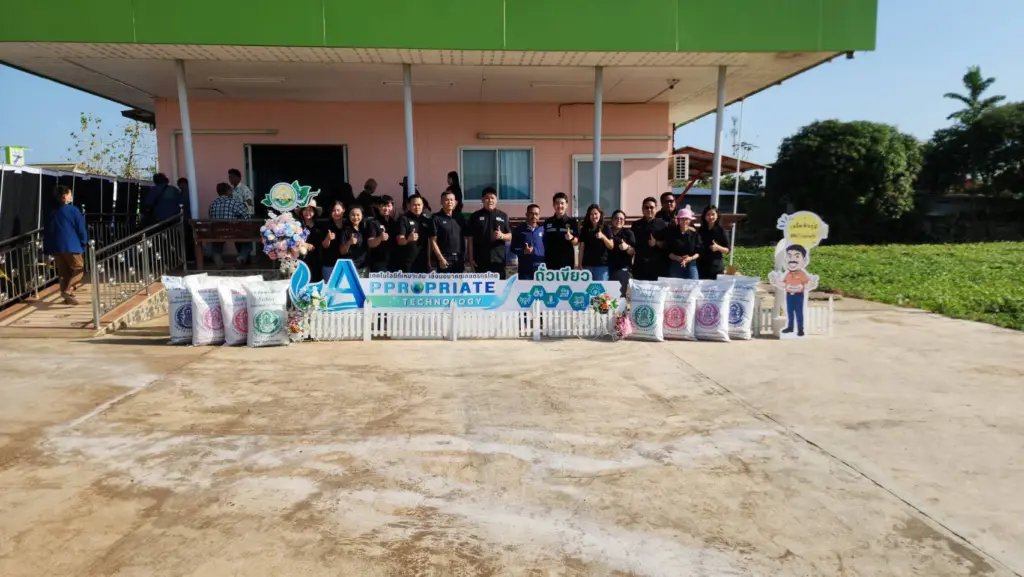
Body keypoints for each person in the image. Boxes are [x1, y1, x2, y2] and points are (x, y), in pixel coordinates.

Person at [43, 185, 88, 305]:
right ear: (64, 196)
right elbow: (81, 228)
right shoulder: (73, 210)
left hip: (55, 246)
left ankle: (67, 297)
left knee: (64, 271)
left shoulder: (50, 210)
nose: (71, 196)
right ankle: (69, 290)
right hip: (71, 245)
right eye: (70, 194)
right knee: (79, 268)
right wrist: (84, 242)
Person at [466, 187, 511, 279]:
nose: (490, 200)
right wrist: (470, 258)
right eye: (487, 198)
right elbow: (470, 239)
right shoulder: (475, 216)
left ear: (496, 200)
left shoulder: (503, 216)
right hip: (480, 259)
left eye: (492, 198)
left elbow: (510, 236)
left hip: (498, 259)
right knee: (481, 286)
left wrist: (501, 236)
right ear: (482, 200)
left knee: (499, 285)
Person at [207, 182, 252, 267]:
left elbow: (211, 217)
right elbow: (246, 217)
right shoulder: (235, 203)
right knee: (247, 243)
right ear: (227, 191)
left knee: (217, 244)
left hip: (217, 232)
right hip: (234, 232)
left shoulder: (212, 204)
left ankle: (218, 259)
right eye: (231, 191)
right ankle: (241, 257)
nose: (232, 193)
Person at [631, 197, 668, 281]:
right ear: (642, 209)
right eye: (646, 207)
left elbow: (667, 244)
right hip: (640, 265)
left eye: (652, 207)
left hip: (658, 266)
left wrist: (656, 243)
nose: (649, 210)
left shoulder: (662, 224)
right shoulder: (636, 225)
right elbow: (632, 244)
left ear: (656, 209)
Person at [395, 195, 434, 273]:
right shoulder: (403, 219)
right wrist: (408, 239)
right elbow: (399, 241)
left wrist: (429, 262)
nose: (417, 207)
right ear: (409, 205)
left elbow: (430, 242)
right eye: (414, 205)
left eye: (419, 205)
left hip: (423, 263)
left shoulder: (427, 220)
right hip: (407, 263)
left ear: (422, 205)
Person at [662, 205, 701, 280]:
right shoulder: (672, 234)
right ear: (678, 220)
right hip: (676, 263)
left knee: (693, 284)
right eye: (682, 219)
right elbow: (667, 251)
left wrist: (690, 258)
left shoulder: (695, 235)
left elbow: (699, 251)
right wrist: (677, 258)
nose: (684, 221)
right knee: (675, 285)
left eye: (687, 219)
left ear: (690, 220)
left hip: (691, 263)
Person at [542, 192, 578, 271]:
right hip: (550, 262)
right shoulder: (548, 221)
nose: (559, 206)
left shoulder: (572, 222)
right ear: (553, 205)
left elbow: (577, 242)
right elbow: (544, 240)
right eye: (557, 203)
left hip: (567, 262)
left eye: (562, 203)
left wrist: (571, 238)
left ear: (566, 205)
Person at [431, 190, 465, 273]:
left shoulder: (459, 217)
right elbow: (433, 241)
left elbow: (466, 237)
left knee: (458, 281)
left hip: (459, 259)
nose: (449, 202)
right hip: (444, 259)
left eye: (451, 200)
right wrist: (440, 258)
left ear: (455, 202)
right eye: (446, 200)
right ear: (441, 202)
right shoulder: (436, 218)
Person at [579, 204, 614, 280]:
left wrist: (603, 237)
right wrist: (580, 264)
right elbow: (581, 248)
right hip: (587, 265)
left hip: (601, 266)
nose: (594, 216)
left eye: (596, 213)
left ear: (600, 214)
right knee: (586, 288)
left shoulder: (606, 228)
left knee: (600, 288)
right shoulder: (585, 229)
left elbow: (611, 246)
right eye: (591, 214)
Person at [510, 204, 545, 280]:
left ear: (539, 216)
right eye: (531, 213)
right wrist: (523, 251)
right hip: (525, 269)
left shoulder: (542, 230)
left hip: (540, 269)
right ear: (526, 214)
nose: (534, 216)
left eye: (536, 214)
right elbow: (513, 248)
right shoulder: (519, 230)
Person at [697, 205, 732, 279]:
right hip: (701, 265)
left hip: (716, 267)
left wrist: (718, 247)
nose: (710, 217)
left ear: (717, 215)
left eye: (713, 214)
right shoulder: (701, 230)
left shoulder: (722, 231)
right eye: (708, 214)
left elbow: (728, 250)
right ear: (704, 216)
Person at [607, 210, 636, 296]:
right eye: (616, 218)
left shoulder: (628, 233)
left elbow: (633, 251)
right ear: (612, 219)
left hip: (622, 268)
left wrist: (627, 247)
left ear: (624, 221)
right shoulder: (607, 231)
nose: (619, 220)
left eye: (621, 219)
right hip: (606, 268)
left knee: (619, 295)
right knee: (605, 295)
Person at [366, 195, 397, 273]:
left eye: (389, 206)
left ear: (392, 207)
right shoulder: (373, 222)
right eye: (383, 206)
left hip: (394, 262)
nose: (386, 208)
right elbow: (370, 243)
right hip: (378, 263)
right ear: (378, 206)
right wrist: (379, 238)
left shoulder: (394, 223)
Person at [297, 200, 324, 283]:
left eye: (310, 210)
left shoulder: (319, 228)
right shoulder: (296, 225)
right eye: (305, 209)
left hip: (314, 262)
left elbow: (316, 246)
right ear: (301, 211)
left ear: (314, 212)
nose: (307, 212)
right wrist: (304, 244)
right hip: (299, 261)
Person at [339, 205, 370, 275]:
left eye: (358, 215)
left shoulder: (365, 229)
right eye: (353, 215)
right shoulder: (346, 230)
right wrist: (349, 243)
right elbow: (342, 251)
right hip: (351, 267)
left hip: (364, 267)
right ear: (349, 216)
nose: (355, 217)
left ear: (362, 216)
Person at [320, 201, 346, 280]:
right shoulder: (326, 226)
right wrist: (328, 238)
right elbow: (324, 245)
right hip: (330, 264)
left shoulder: (347, 225)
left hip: (345, 264)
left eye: (338, 210)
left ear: (343, 210)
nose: (336, 213)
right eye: (333, 211)